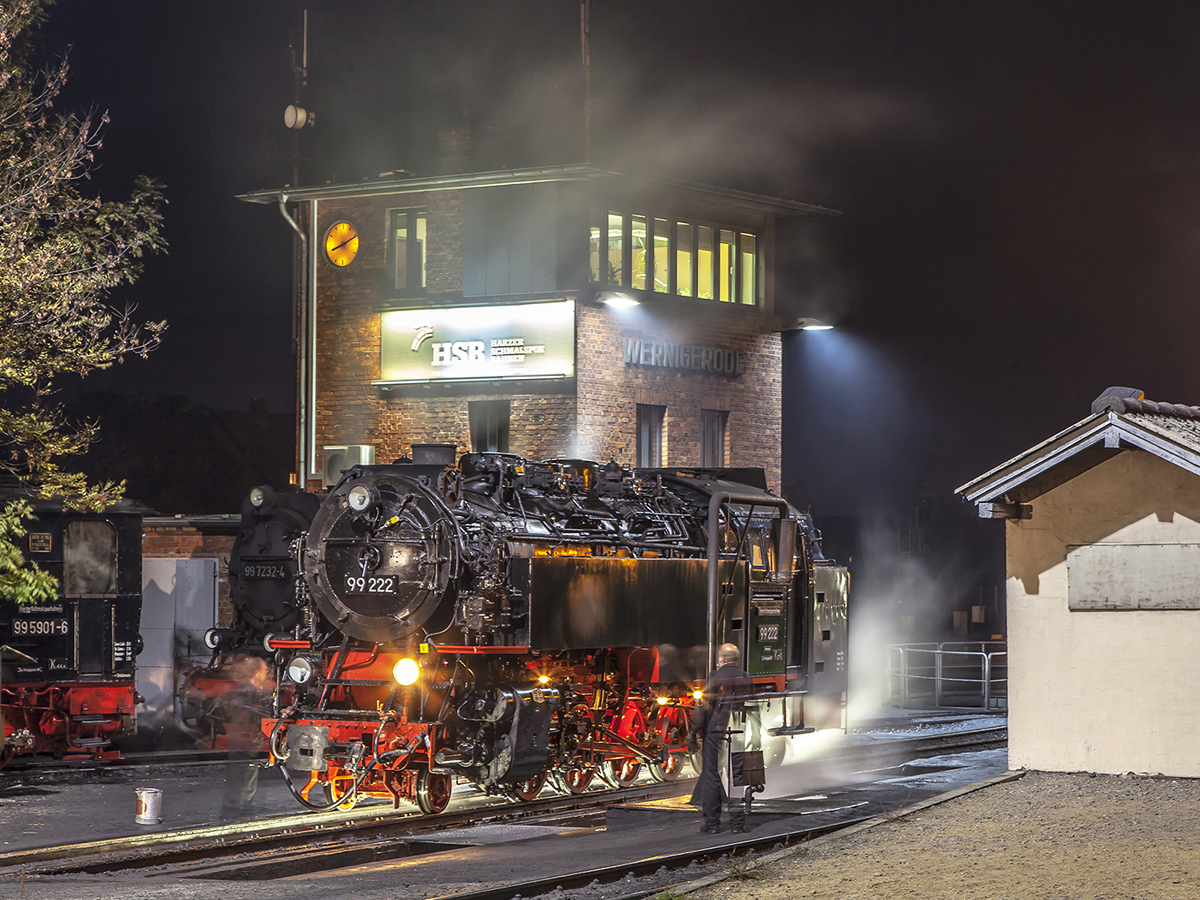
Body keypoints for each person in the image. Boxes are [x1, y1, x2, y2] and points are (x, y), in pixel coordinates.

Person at [688, 642, 753, 834]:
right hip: (739, 731)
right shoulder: (745, 677)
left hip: (715, 731)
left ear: (722, 659)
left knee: (711, 774)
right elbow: (750, 705)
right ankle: (737, 824)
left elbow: (703, 708)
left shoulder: (714, 676)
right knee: (737, 777)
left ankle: (712, 824)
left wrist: (692, 732)